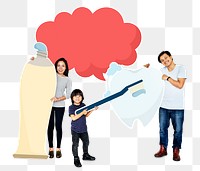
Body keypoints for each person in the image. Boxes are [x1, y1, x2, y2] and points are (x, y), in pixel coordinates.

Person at [151, 51, 187, 161]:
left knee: (178, 130)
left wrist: (167, 78)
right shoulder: (161, 71)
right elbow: (152, 78)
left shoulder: (181, 68)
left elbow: (180, 85)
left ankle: (176, 151)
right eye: (162, 61)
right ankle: (163, 149)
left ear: (171, 57)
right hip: (163, 106)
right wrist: (147, 69)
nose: (165, 61)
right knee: (162, 129)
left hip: (178, 106)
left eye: (166, 58)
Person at [47, 58, 72, 158]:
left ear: (66, 68)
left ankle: (58, 149)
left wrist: (57, 99)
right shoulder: (51, 76)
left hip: (60, 106)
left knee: (58, 126)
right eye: (58, 65)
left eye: (63, 66)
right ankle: (50, 148)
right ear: (55, 66)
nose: (60, 68)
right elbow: (39, 76)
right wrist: (33, 60)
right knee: (50, 126)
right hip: (48, 105)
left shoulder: (67, 79)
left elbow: (69, 94)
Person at [69, 89, 98, 167]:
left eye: (79, 96)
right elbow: (74, 118)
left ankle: (85, 155)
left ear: (82, 97)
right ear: (72, 98)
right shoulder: (71, 107)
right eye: (75, 96)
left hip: (83, 129)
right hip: (75, 130)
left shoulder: (83, 105)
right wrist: (82, 112)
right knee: (75, 144)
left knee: (86, 142)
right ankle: (76, 158)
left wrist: (93, 110)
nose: (77, 98)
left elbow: (86, 115)